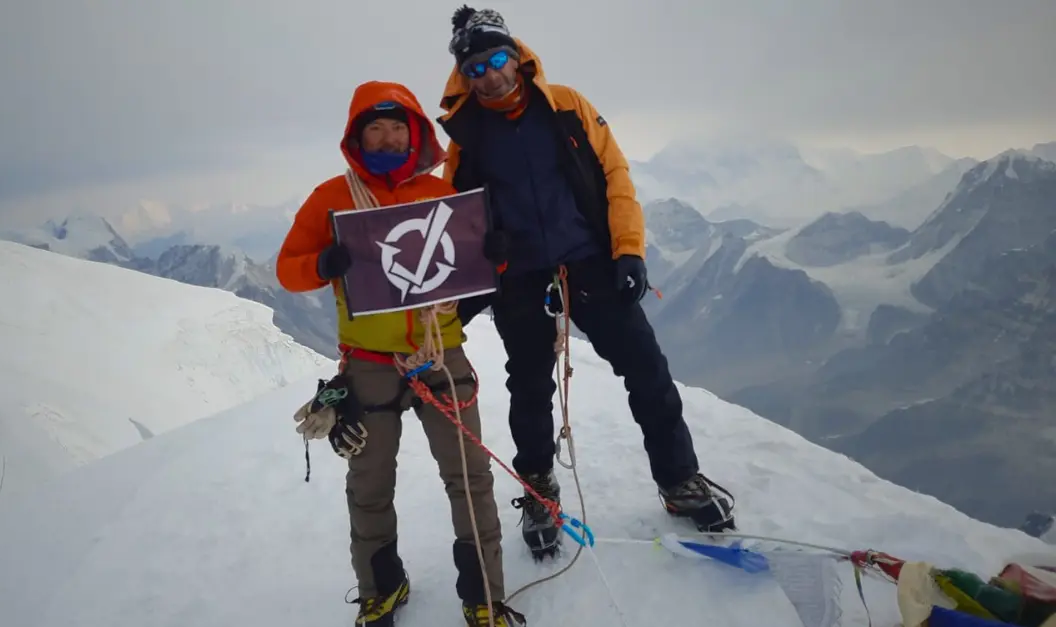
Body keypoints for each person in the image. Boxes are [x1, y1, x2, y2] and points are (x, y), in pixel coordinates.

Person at [434, 6, 736, 558]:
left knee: (646, 368)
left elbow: (614, 173)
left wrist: (628, 250)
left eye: (497, 59)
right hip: (518, 276)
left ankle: (678, 481)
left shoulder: (567, 106)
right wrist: (484, 252)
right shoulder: (466, 137)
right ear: (464, 76)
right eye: (475, 68)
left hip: (588, 260)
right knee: (529, 387)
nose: (491, 75)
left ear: (516, 55)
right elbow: (456, 217)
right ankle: (539, 490)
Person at [276, 80, 526, 627]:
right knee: (370, 482)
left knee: (470, 477)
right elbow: (288, 268)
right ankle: (380, 589)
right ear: (357, 136)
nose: (387, 138)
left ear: (414, 134)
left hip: (441, 351)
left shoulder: (442, 193)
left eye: (397, 127)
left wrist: (497, 256)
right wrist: (323, 264)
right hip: (369, 360)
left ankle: (484, 593)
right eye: (376, 127)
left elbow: (475, 266)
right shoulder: (331, 199)